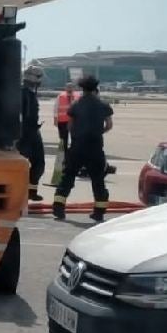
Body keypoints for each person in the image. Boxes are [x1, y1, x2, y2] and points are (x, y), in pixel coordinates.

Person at [53, 75, 114, 223]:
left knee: (68, 176)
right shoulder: (103, 105)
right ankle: (98, 212)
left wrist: (76, 136)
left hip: (77, 147)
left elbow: (69, 126)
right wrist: (99, 132)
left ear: (82, 88)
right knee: (98, 180)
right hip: (95, 147)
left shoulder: (75, 105)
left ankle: (59, 208)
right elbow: (109, 125)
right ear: (96, 88)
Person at [19, 65, 46, 202]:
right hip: (25, 134)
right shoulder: (24, 93)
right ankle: (23, 192)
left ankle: (31, 191)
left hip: (31, 132)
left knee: (39, 164)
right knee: (25, 165)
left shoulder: (29, 93)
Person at [53, 82, 77, 152]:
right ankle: (64, 154)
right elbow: (55, 108)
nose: (69, 88)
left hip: (74, 122)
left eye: (71, 87)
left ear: (74, 88)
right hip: (62, 121)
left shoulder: (77, 96)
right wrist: (55, 119)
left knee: (75, 138)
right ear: (65, 88)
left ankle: (73, 153)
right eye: (68, 87)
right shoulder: (60, 96)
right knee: (63, 139)